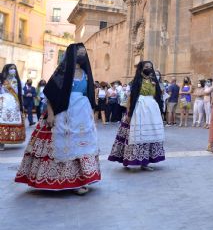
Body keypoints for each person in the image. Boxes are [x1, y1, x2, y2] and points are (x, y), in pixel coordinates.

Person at [15, 43, 100, 194]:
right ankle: (58, 180)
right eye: (79, 51)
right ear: (72, 54)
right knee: (63, 145)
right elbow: (49, 94)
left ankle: (79, 181)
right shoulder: (62, 72)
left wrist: (91, 116)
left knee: (81, 146)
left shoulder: (86, 74)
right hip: (63, 112)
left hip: (82, 114)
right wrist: (51, 114)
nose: (82, 54)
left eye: (83, 52)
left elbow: (89, 96)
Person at [108, 60, 165, 170]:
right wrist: (129, 113)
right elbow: (132, 97)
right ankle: (127, 158)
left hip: (151, 110)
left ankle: (145, 162)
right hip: (139, 109)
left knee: (148, 135)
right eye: (146, 66)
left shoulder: (154, 81)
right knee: (133, 135)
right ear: (142, 68)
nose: (148, 68)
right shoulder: (137, 81)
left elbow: (158, 96)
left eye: (150, 66)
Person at [0, 64, 26, 150]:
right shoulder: (2, 80)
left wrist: (21, 105)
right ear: (7, 69)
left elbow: (20, 94)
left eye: (14, 68)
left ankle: (6, 139)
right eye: (11, 68)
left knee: (12, 122)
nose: (13, 70)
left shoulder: (18, 81)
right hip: (3, 102)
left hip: (14, 103)